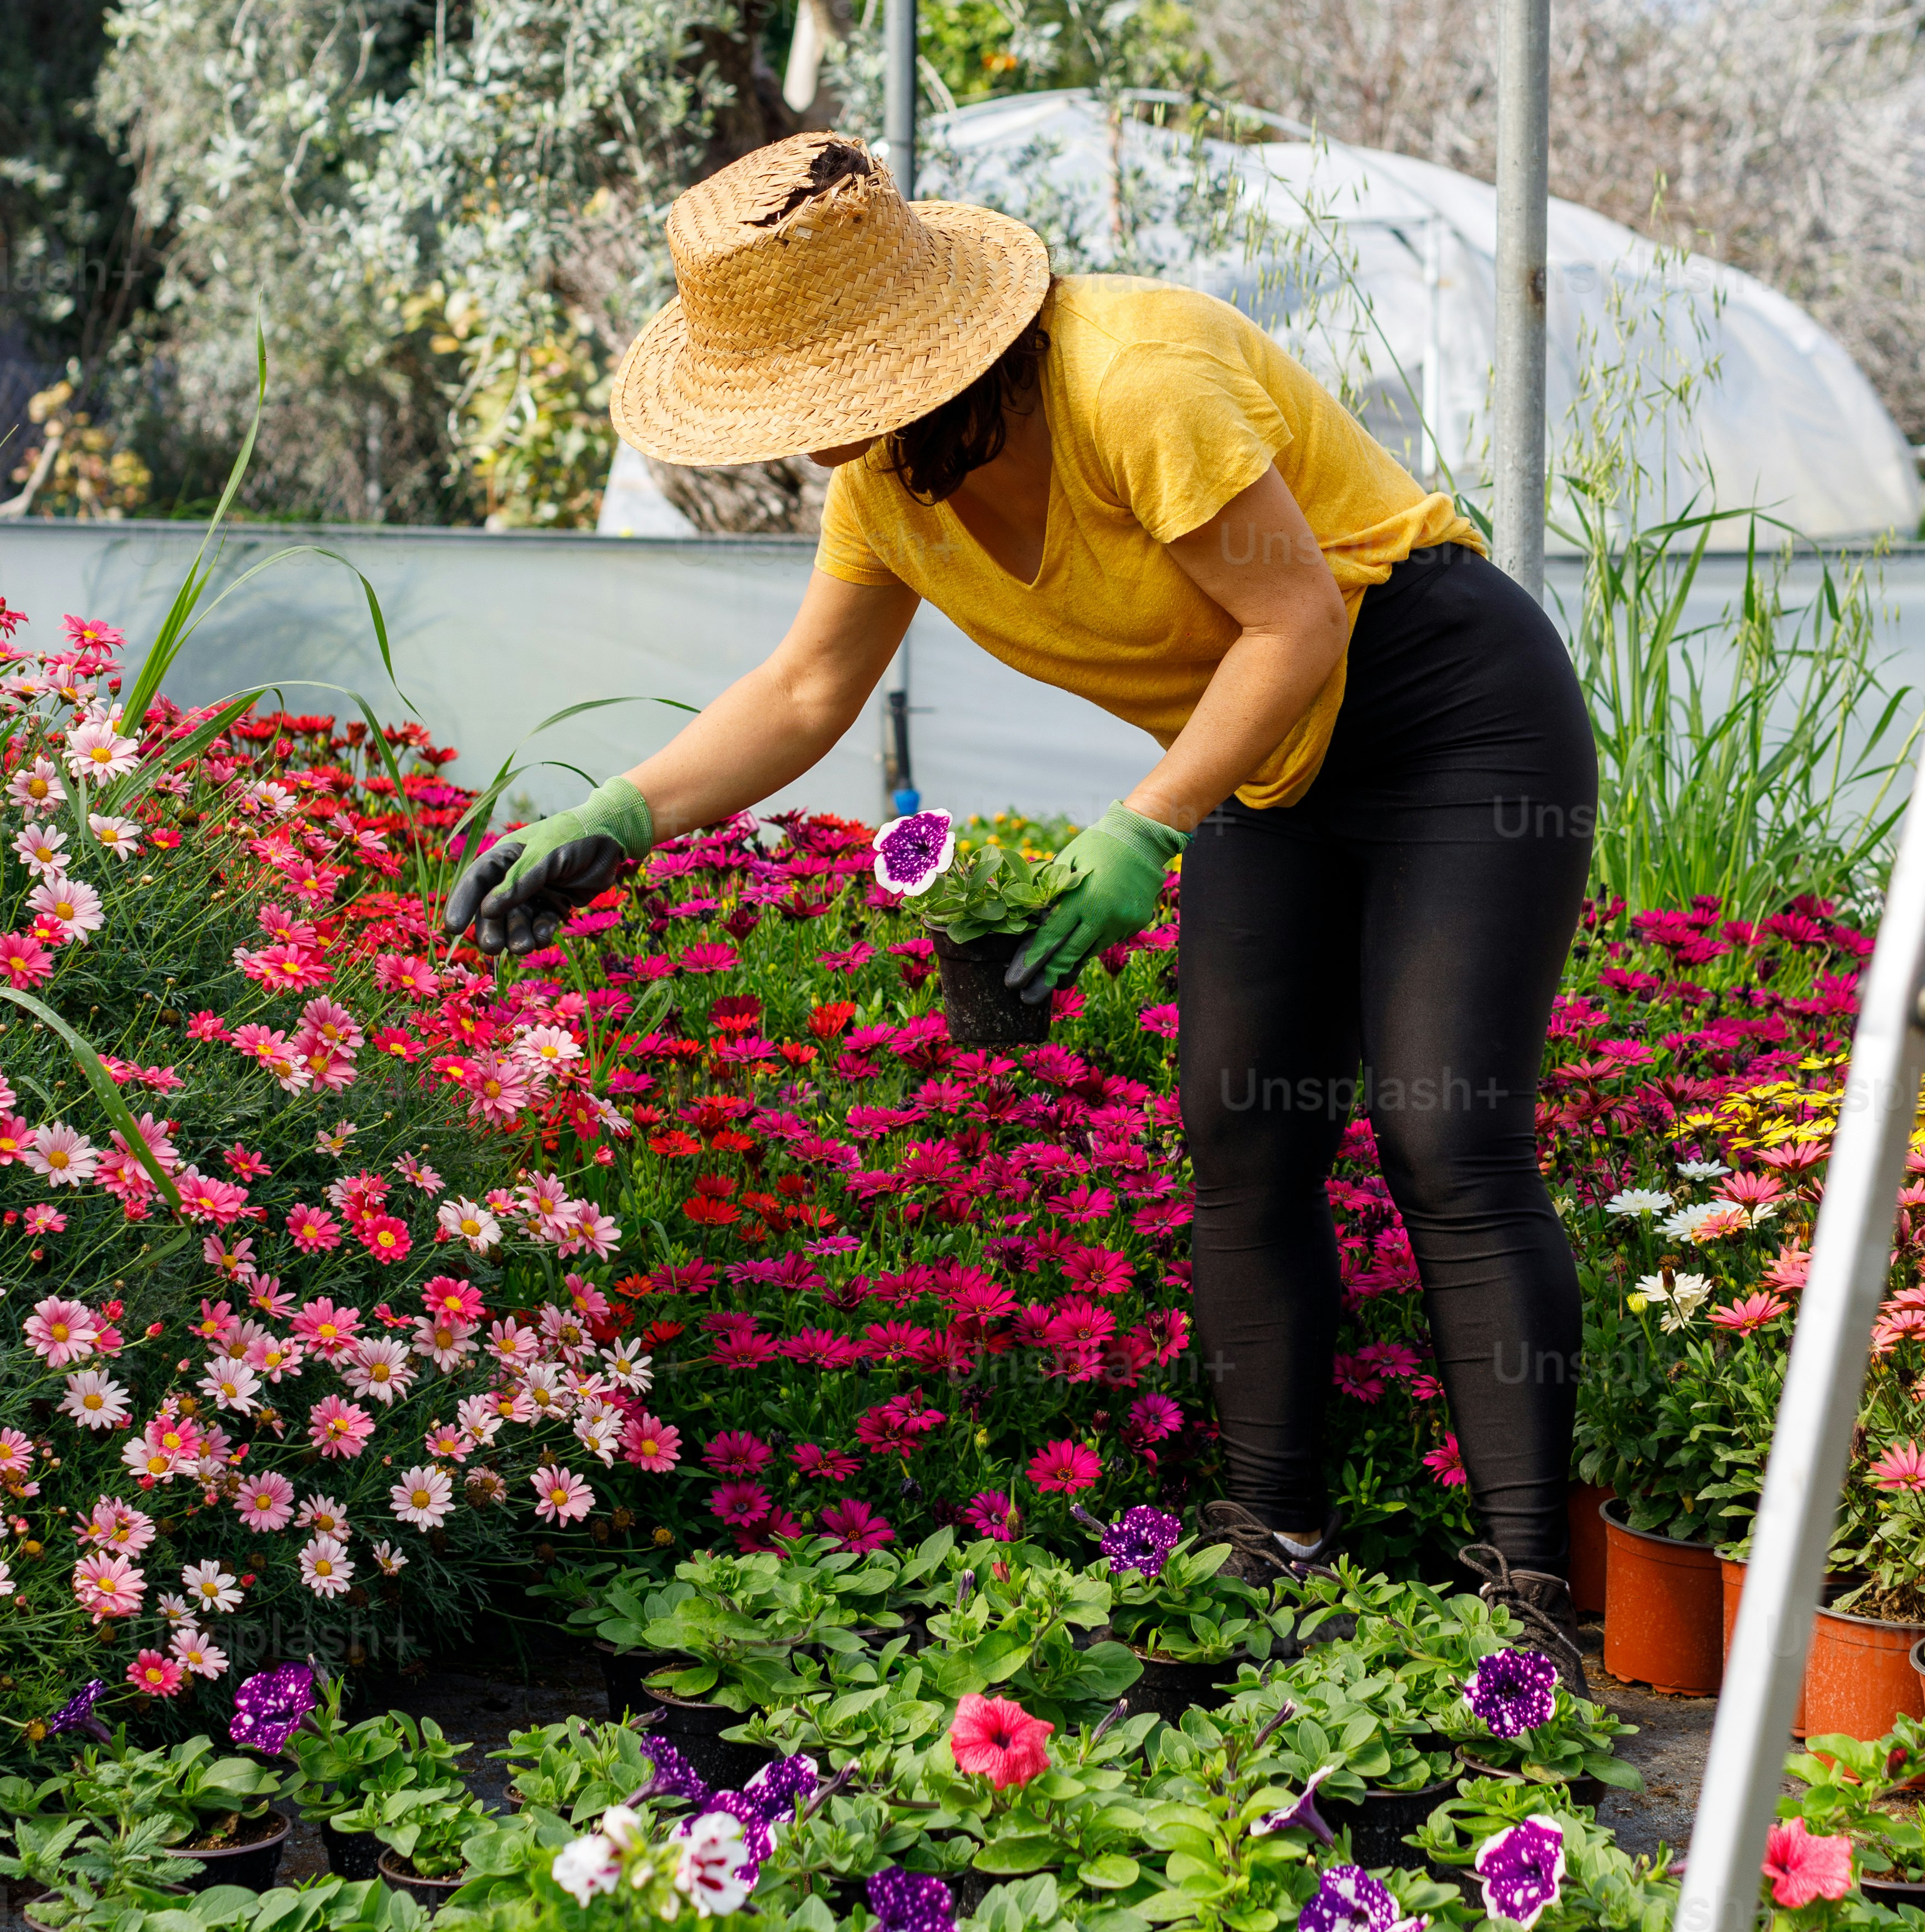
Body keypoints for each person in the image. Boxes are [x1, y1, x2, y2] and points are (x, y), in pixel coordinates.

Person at [448, 133, 1600, 1673]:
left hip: (1441, 703)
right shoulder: (890, 484)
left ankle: (1535, 1601)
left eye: (829, 401)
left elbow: (1298, 615)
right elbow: (803, 691)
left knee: (1442, 1130)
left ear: (922, 348)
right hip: (1264, 754)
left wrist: (1142, 827)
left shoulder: (1135, 377)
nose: (819, 441)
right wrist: (620, 812)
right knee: (1242, 1130)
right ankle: (1278, 1552)